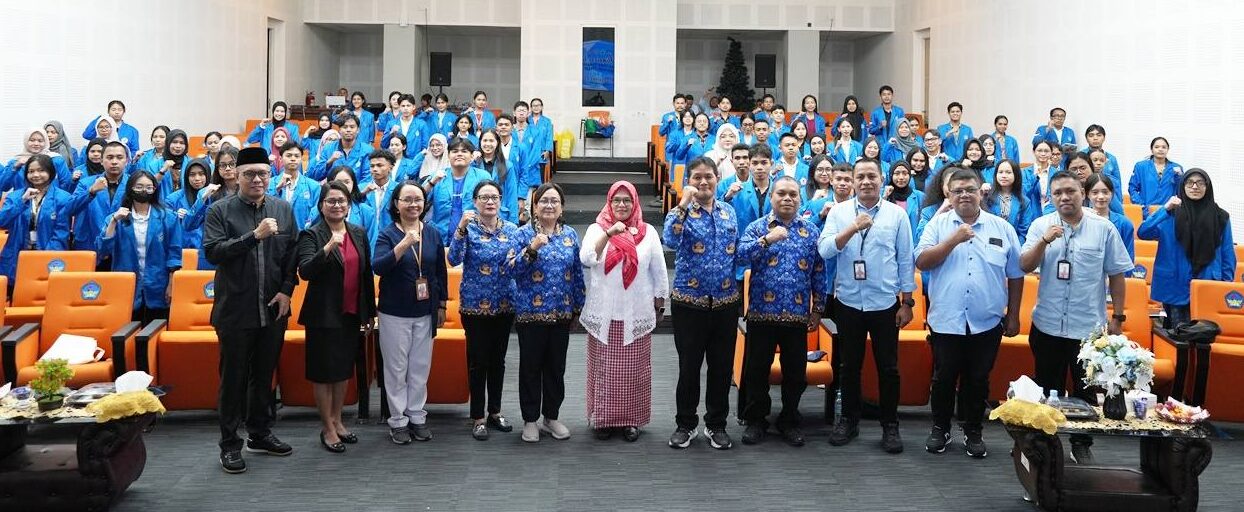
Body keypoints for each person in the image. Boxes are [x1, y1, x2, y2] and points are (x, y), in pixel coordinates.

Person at [1019, 170, 1132, 464]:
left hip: (1088, 329)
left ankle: (1081, 444)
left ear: (1082, 193)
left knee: (1085, 392)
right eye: (1057, 193)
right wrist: (1043, 241)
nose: (1064, 197)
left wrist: (1118, 317)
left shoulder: (1104, 228)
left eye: (1070, 191)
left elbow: (1117, 275)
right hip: (1047, 324)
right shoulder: (1041, 225)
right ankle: (1047, 444)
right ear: (1050, 197)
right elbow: (1024, 264)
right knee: (1047, 389)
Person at [914, 167, 1024, 458]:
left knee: (978, 379)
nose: (964, 195)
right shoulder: (937, 225)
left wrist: (1013, 314)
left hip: (986, 320)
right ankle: (940, 428)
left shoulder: (1001, 228)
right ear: (949, 195)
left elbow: (1016, 274)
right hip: (946, 319)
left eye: (970, 190)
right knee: (943, 378)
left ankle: (973, 430)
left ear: (981, 192)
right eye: (958, 191)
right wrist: (952, 240)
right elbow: (922, 262)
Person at [203, 146, 299, 474]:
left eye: (263, 174)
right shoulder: (220, 210)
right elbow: (214, 252)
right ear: (236, 175)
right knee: (233, 379)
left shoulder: (283, 209)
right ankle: (230, 444)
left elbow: (291, 255)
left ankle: (259, 433)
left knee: (263, 375)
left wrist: (287, 290)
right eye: (250, 174)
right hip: (235, 309)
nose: (257, 179)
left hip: (273, 309)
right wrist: (254, 237)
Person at [819, 157, 915, 454]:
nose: (865, 182)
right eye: (860, 176)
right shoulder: (839, 212)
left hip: (885, 302)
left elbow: (905, 259)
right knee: (849, 366)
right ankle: (848, 420)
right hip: (848, 301)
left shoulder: (897, 215)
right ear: (852, 181)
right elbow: (824, 250)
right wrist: (852, 228)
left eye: (871, 176)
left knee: (889, 368)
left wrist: (907, 302)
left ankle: (890, 425)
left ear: (882, 179)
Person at [738, 176, 826, 447]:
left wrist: (818, 309)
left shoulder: (811, 231)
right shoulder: (757, 228)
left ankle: (789, 419)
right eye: (781, 194)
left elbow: (819, 272)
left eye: (793, 194)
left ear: (800, 198)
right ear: (772, 197)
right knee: (756, 370)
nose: (787, 198)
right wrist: (766, 240)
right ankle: (756, 420)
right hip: (761, 313)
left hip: (797, 315)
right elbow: (740, 256)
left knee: (795, 373)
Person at [663, 156, 742, 450]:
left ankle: (716, 424)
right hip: (689, 303)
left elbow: (736, 252)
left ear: (717, 179)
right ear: (688, 181)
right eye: (697, 177)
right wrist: (683, 203)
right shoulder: (681, 213)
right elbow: (669, 239)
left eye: (709, 176)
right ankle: (685, 424)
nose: (703, 182)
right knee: (689, 367)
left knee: (721, 368)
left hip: (725, 303)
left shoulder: (728, 212)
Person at [579, 181, 668, 442]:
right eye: (616, 200)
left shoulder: (648, 232)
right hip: (604, 313)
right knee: (604, 370)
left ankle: (631, 421)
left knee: (634, 372)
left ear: (635, 203)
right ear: (609, 202)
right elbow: (587, 258)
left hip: (636, 311)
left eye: (627, 200)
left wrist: (660, 303)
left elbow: (659, 271)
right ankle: (603, 419)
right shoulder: (597, 229)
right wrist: (609, 234)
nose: (621, 204)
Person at [296, 181, 376, 453]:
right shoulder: (311, 234)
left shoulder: (358, 232)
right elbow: (305, 271)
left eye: (342, 201)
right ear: (321, 205)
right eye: (331, 201)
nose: (337, 205)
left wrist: (369, 312)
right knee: (323, 373)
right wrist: (328, 247)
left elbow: (366, 274)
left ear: (349, 205)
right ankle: (327, 427)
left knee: (342, 371)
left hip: (351, 314)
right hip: (323, 315)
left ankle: (338, 420)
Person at [509, 183, 585, 442]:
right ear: (535, 206)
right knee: (530, 368)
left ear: (562, 207)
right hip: (531, 314)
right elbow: (511, 269)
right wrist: (532, 248)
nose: (549, 206)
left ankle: (551, 417)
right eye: (544, 201)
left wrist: (577, 308)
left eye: (554, 201)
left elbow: (577, 274)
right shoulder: (522, 234)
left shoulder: (570, 235)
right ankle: (530, 420)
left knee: (556, 369)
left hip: (562, 313)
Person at [372, 180, 447, 444]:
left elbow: (440, 272)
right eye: (407, 199)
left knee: (419, 367)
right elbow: (379, 267)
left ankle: (416, 415)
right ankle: (397, 420)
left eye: (418, 199)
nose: (413, 204)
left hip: (425, 310)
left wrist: (441, 304)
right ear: (396, 204)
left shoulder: (433, 233)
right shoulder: (387, 234)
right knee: (396, 368)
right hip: (394, 311)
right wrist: (404, 243)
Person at [449, 181, 520, 440]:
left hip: (504, 304)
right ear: (475, 201)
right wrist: (460, 228)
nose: (490, 202)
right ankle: (477, 416)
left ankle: (495, 411)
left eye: (494, 197)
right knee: (478, 362)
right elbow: (453, 259)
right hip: (475, 306)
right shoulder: (468, 228)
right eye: (484, 197)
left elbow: (518, 263)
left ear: (501, 200)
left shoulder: (512, 229)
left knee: (498, 361)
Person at [1138, 169, 1235, 329]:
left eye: (1200, 183)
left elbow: (1227, 254)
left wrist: (1225, 286)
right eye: (1190, 183)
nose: (1195, 187)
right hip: (1175, 286)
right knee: (1177, 337)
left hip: (1208, 285)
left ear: (1208, 187)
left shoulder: (1221, 217)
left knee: (1204, 336)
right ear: (1182, 186)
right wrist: (1164, 209)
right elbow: (1143, 232)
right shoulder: (1170, 214)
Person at [98, 170, 183, 323]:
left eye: (149, 187)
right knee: (127, 332)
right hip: (126, 283)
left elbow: (174, 255)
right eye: (139, 187)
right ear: (130, 188)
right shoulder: (116, 218)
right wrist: (113, 222)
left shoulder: (168, 217)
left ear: (154, 190)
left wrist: (171, 285)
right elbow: (103, 252)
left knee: (156, 330)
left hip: (159, 283)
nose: (144, 191)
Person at [0, 154, 73, 283]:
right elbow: (2, 222)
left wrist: (43, 259)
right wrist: (22, 201)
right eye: (31, 171)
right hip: (17, 254)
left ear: (51, 172)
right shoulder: (15, 196)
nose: (36, 175)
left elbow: (61, 233)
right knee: (15, 290)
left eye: (41, 170)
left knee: (44, 290)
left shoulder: (63, 198)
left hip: (48, 254)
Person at [68, 142, 132, 259]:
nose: (114, 162)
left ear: (127, 160)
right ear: (101, 161)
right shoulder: (86, 183)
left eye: (119, 157)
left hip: (121, 247)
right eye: (109, 157)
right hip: (89, 245)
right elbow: (70, 209)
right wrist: (91, 192)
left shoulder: (133, 184)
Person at [424, 139, 490, 240]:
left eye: (464, 151)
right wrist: (431, 183)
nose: (459, 154)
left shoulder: (482, 177)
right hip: (440, 237)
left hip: (474, 237)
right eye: (455, 151)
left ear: (472, 156)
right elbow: (418, 198)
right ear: (448, 155)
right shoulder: (437, 176)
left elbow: (491, 205)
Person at [269, 142, 320, 231]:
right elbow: (265, 208)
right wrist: (277, 189)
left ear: (301, 159)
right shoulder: (270, 183)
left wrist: (307, 231)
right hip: (276, 235)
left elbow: (317, 212)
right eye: (289, 155)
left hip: (304, 235)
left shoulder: (313, 186)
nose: (293, 159)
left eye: (297, 156)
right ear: (280, 159)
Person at [1128, 137, 1183, 219]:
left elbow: (1181, 191)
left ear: (1168, 149)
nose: (1160, 149)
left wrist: (1179, 177)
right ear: (1152, 149)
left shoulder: (1176, 168)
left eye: (1164, 147)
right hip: (1146, 212)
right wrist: (1141, 206)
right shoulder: (1141, 166)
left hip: (1168, 213)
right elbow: (1132, 188)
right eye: (1157, 147)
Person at [309, 114, 373, 183]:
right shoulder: (328, 148)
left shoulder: (367, 150)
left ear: (358, 130)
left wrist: (354, 189)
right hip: (333, 189)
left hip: (357, 189)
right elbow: (317, 176)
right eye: (345, 127)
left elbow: (367, 179)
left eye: (352, 127)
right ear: (339, 130)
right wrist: (329, 162)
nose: (348, 130)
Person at [1086, 172, 1135, 264]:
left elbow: (1128, 259)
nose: (1101, 197)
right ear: (1087, 194)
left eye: (1105, 192)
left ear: (1112, 194)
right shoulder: (1081, 221)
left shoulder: (1124, 223)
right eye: (1095, 192)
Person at [474, 130, 521, 224]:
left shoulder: (507, 166)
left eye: (491, 141)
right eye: (485, 140)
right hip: (478, 216)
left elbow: (512, 194)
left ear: (497, 143)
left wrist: (513, 222)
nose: (488, 144)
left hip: (501, 216)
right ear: (480, 142)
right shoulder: (474, 164)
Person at [985, 160, 1035, 240]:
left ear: (1016, 175)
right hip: (989, 241)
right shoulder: (987, 196)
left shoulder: (1024, 201)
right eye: (1000, 172)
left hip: (1014, 242)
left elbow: (1024, 231)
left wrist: (1016, 246)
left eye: (1008, 172)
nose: (1004, 176)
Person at [884, 161, 923, 230]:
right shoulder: (883, 194)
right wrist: (885, 197)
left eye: (905, 173)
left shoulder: (920, 196)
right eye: (897, 173)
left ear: (909, 176)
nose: (901, 177)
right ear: (891, 175)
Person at [1022, 141, 1058, 214]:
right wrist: (1035, 177)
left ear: (1051, 153)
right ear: (1034, 152)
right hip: (1031, 213)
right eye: (1039, 150)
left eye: (1046, 151)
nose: (1043, 154)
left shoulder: (1056, 173)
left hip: (1051, 213)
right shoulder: (1025, 172)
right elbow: (1024, 194)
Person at [154, 129, 191, 196]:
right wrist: (162, 171)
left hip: (185, 202)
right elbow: (150, 185)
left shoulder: (191, 162)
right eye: (174, 142)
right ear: (168, 143)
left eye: (182, 143)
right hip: (162, 202)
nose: (178, 146)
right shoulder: (155, 164)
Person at [528, 98, 555, 165]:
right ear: (531, 108)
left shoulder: (547, 121)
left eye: (538, 105)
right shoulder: (527, 120)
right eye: (534, 106)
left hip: (541, 153)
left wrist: (547, 151)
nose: (536, 107)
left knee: (541, 171)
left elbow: (549, 137)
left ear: (542, 107)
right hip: (529, 152)